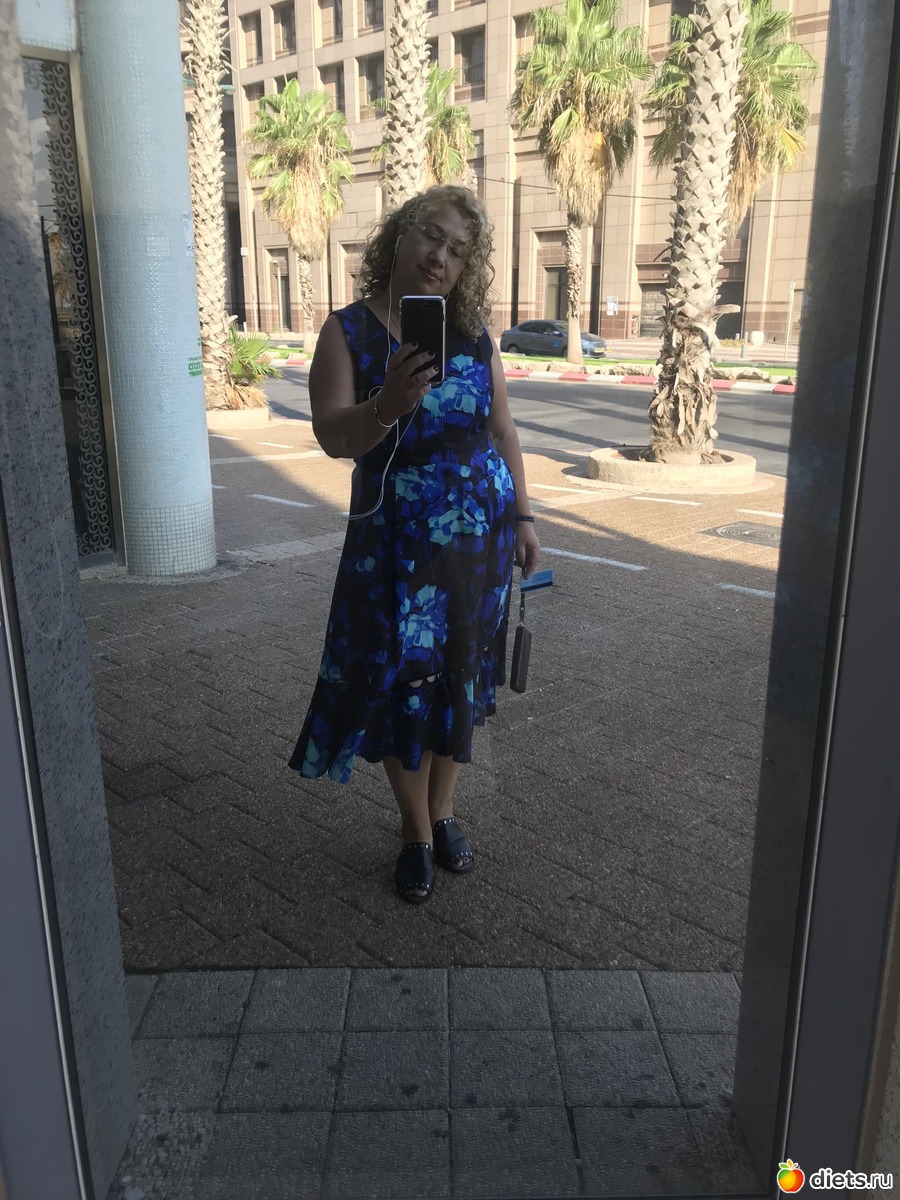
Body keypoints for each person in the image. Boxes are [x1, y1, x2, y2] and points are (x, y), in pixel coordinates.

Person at [289, 185, 540, 904]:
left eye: (458, 250)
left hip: (479, 541)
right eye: (431, 236)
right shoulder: (348, 332)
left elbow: (502, 429)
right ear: (399, 237)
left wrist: (525, 517)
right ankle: (415, 829)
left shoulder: (473, 334)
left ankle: (444, 809)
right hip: (393, 543)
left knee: (461, 674)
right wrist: (387, 404)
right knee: (402, 680)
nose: (440, 257)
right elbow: (333, 435)